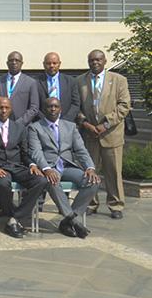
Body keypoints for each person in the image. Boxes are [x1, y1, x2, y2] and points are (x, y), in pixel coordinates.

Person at [28, 98, 100, 238]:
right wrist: (46, 168)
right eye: (49, 106)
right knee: (52, 181)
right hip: (50, 167)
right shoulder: (35, 128)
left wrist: (90, 167)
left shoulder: (70, 127)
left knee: (93, 181)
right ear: (44, 110)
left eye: (56, 106)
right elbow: (36, 152)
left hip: (68, 166)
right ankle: (74, 222)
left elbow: (81, 150)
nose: (53, 109)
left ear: (60, 110)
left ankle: (67, 221)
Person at [0, 97, 48, 238]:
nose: (3, 111)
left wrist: (32, 165)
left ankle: (15, 219)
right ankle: (13, 217)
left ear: (10, 109)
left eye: (6, 108)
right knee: (3, 182)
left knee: (40, 180)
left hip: (17, 166)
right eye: (0, 108)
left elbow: (25, 153)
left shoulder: (20, 128)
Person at [76, 49, 131, 219]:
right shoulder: (79, 81)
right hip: (89, 134)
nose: (95, 63)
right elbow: (75, 106)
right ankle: (91, 203)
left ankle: (116, 205)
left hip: (111, 134)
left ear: (105, 61)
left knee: (113, 172)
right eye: (92, 60)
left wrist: (105, 125)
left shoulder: (118, 80)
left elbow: (124, 106)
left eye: (98, 60)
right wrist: (85, 123)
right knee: (89, 171)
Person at [0, 51, 39, 126]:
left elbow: (34, 108)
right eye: (11, 60)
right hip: (1, 126)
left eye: (17, 60)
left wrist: (18, 124)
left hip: (22, 127)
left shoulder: (31, 83)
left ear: (22, 63)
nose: (14, 63)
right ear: (7, 63)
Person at [35, 52, 80, 123]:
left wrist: (64, 121)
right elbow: (34, 105)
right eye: (48, 63)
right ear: (44, 64)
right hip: (43, 124)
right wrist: (46, 120)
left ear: (59, 64)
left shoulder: (70, 81)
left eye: (54, 63)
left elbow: (75, 104)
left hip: (66, 123)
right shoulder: (36, 82)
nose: (51, 66)